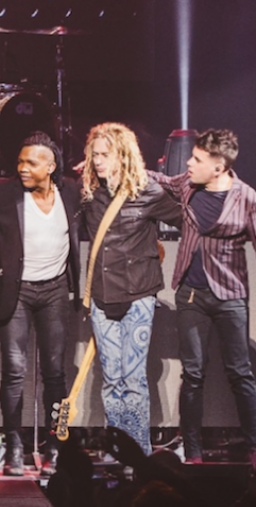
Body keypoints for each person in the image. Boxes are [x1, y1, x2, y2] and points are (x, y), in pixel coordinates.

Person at [148, 128, 256, 466]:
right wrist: (120, 165)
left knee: (240, 372)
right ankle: (193, 452)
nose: (188, 164)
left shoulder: (248, 199)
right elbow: (159, 179)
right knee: (193, 374)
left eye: (197, 159)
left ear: (219, 166)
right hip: (191, 295)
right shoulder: (188, 186)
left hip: (230, 296)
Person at [0, 131, 82, 477]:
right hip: (17, 292)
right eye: (20, 162)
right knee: (14, 372)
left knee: (56, 374)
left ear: (51, 166)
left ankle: (56, 445)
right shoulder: (6, 194)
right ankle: (14, 444)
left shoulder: (71, 192)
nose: (23, 168)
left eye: (31, 162)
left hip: (56, 291)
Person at [79, 123, 182, 456]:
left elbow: (188, 220)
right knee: (112, 380)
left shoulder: (147, 190)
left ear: (123, 155)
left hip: (138, 295)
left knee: (133, 380)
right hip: (102, 297)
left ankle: (138, 453)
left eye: (105, 154)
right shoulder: (89, 192)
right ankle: (117, 450)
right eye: (94, 154)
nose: (98, 161)